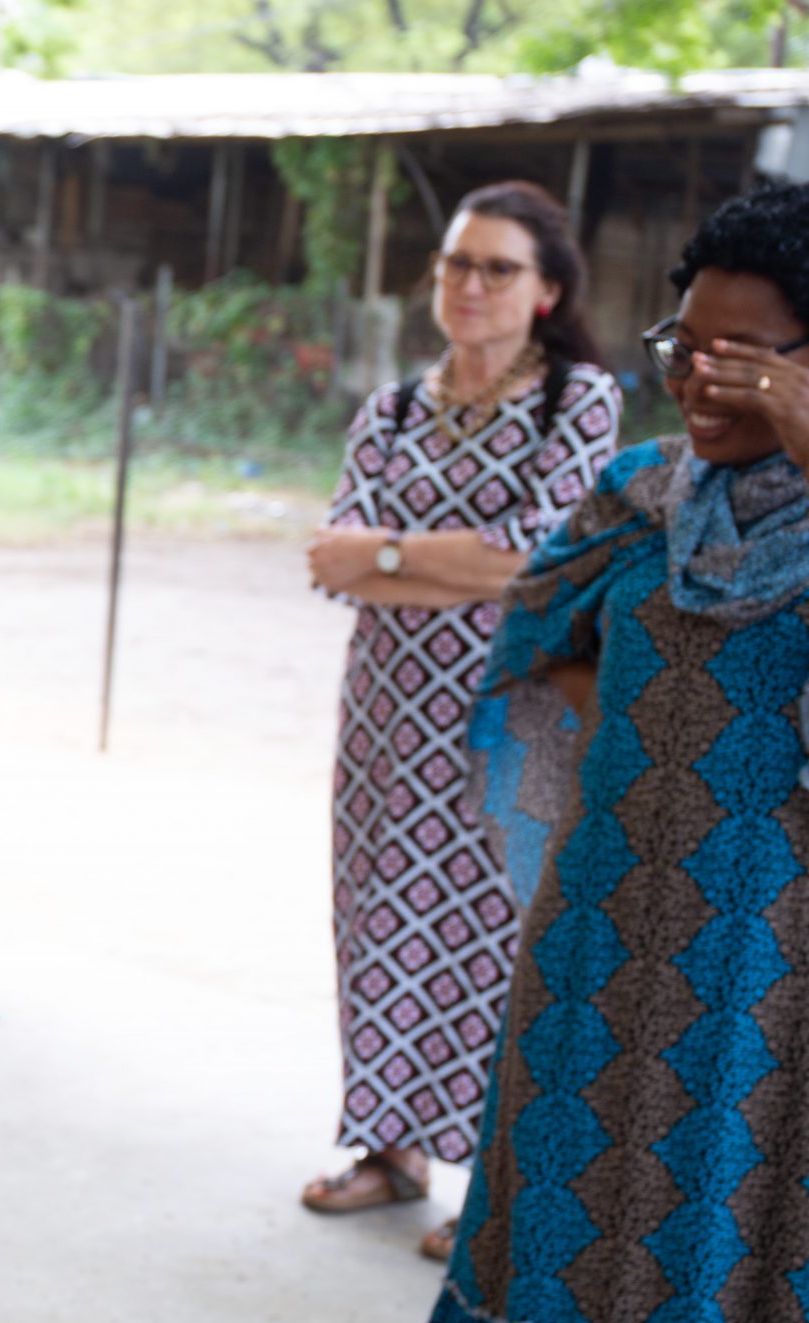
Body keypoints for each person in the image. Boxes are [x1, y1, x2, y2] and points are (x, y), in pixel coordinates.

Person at [378, 180, 809, 1323]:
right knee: (556, 1245)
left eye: (749, 359)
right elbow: (526, 651)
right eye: (688, 343)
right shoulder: (633, 500)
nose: (702, 378)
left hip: (781, 987)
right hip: (604, 955)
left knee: (737, 1271)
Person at [300, 181, 620, 1260]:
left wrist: (391, 556)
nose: (468, 285)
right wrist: (450, 564)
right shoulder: (391, 408)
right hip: (386, 719)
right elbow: (329, 560)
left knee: (497, 929)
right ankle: (389, 1151)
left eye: (496, 268)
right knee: (379, 913)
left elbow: (539, 558)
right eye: (454, 264)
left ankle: (493, 1184)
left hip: (511, 714)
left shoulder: (575, 401)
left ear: (546, 291)